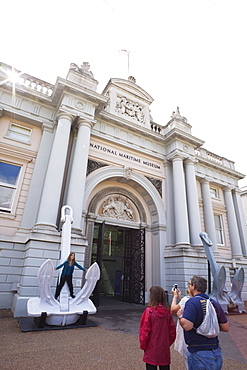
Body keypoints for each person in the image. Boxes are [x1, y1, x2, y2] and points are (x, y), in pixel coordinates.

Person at [177, 275, 229, 370]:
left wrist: (180, 317)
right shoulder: (213, 302)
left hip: (198, 352)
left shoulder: (192, 302)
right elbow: (226, 328)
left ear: (193, 286)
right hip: (216, 351)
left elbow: (187, 326)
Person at [139, 286, 176, 370]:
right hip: (164, 348)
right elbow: (172, 332)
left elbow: (144, 331)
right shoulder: (167, 312)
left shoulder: (149, 311)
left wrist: (143, 345)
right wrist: (166, 343)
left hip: (151, 347)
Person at [171, 287, 191, 369]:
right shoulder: (205, 300)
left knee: (188, 359)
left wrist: (175, 297)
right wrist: (180, 298)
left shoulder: (186, 299)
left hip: (187, 331)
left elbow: (173, 309)